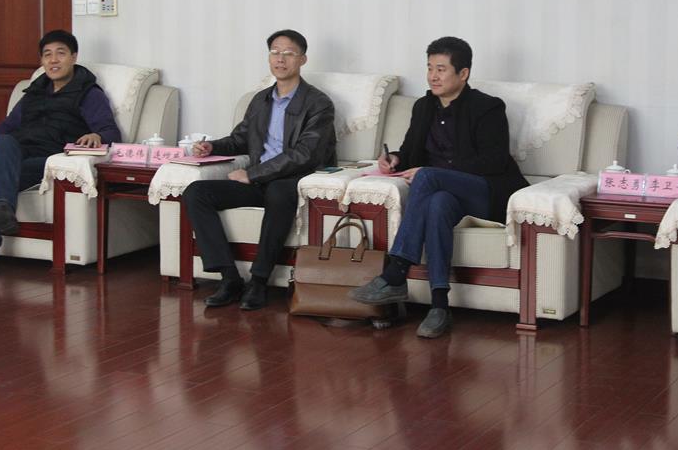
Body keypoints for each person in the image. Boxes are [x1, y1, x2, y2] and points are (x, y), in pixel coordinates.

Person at [349, 37, 527, 338]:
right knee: (438, 203)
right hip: (447, 194)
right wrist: (395, 159)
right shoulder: (423, 107)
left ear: (463, 73)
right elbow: (411, 153)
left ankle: (396, 272)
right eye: (430, 68)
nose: (433, 76)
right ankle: (440, 306)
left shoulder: (488, 107)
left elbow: (494, 161)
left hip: (487, 192)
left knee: (428, 178)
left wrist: (436, 172)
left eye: (441, 69)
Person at [183, 29, 336, 311]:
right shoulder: (260, 100)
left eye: (288, 53)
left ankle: (259, 281)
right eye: (275, 52)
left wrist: (253, 174)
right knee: (196, 192)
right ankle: (229, 278)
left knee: (278, 191)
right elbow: (241, 139)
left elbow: (305, 154)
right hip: (258, 182)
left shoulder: (318, 103)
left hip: (291, 180)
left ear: (302, 59)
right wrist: (212, 146)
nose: (280, 59)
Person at [0, 30, 122, 281]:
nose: (53, 60)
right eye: (47, 55)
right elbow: (6, 127)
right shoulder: (34, 92)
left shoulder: (89, 93)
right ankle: (2, 209)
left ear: (73, 57)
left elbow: (111, 131)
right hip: (20, 155)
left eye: (60, 53)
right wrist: (1, 151)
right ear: (42, 61)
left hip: (50, 160)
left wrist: (97, 135)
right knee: (4, 143)